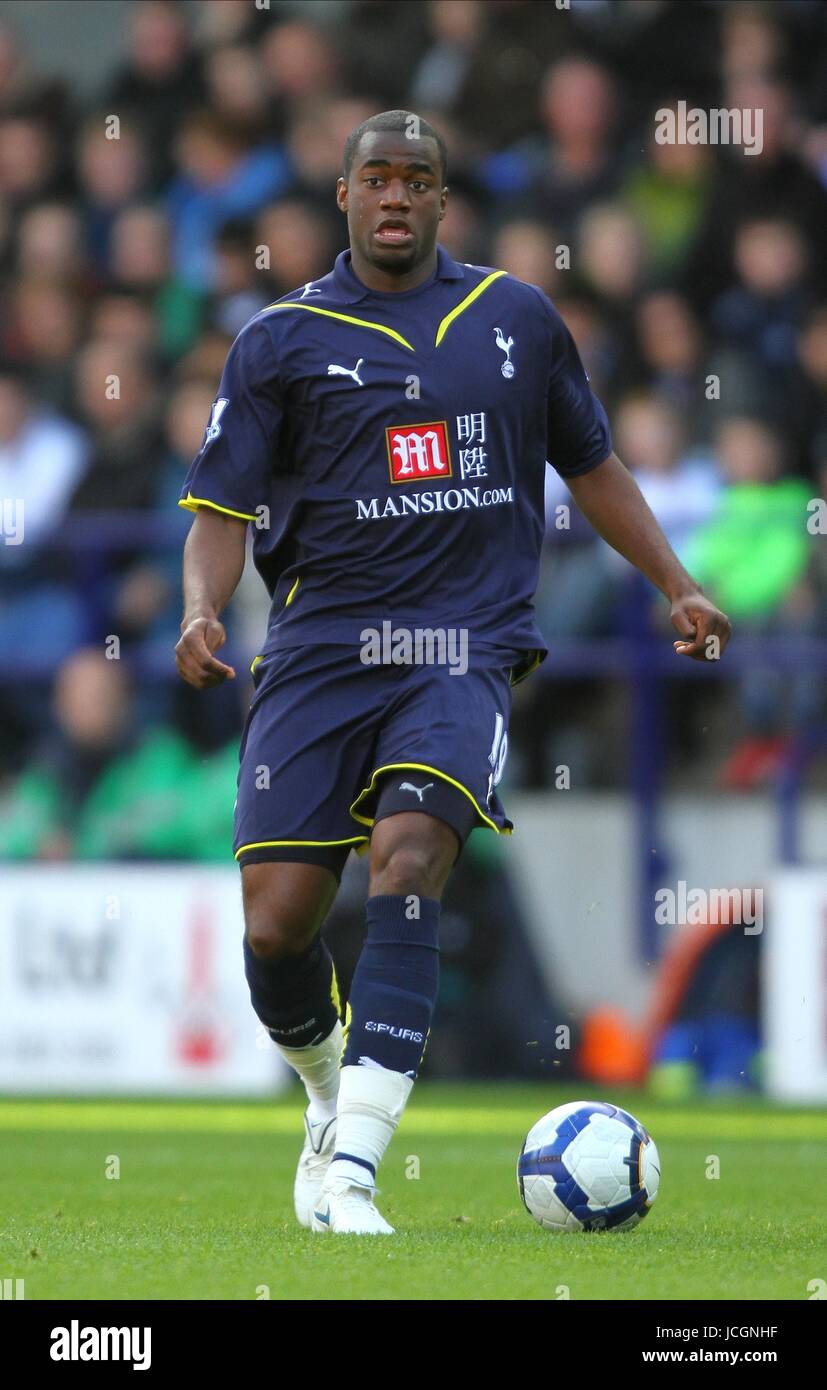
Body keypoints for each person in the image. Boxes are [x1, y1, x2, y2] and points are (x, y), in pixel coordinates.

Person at [174, 110, 731, 1236]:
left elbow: (593, 463)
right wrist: (196, 608)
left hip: (459, 649)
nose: (394, 195)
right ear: (342, 196)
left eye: (414, 180)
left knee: (411, 856)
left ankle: (356, 1174)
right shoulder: (278, 337)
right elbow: (222, 506)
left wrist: (673, 582)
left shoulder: (516, 319)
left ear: (439, 201)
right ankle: (328, 1098)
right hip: (321, 650)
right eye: (373, 178)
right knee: (277, 928)